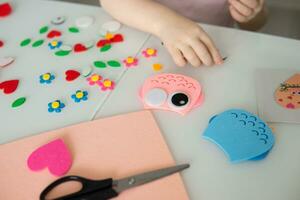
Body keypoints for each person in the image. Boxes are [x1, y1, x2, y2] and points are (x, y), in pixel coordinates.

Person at [101, 0, 267, 67]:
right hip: (142, 46)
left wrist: (251, 14)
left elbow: (256, 25)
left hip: (213, 50)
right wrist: (165, 24)